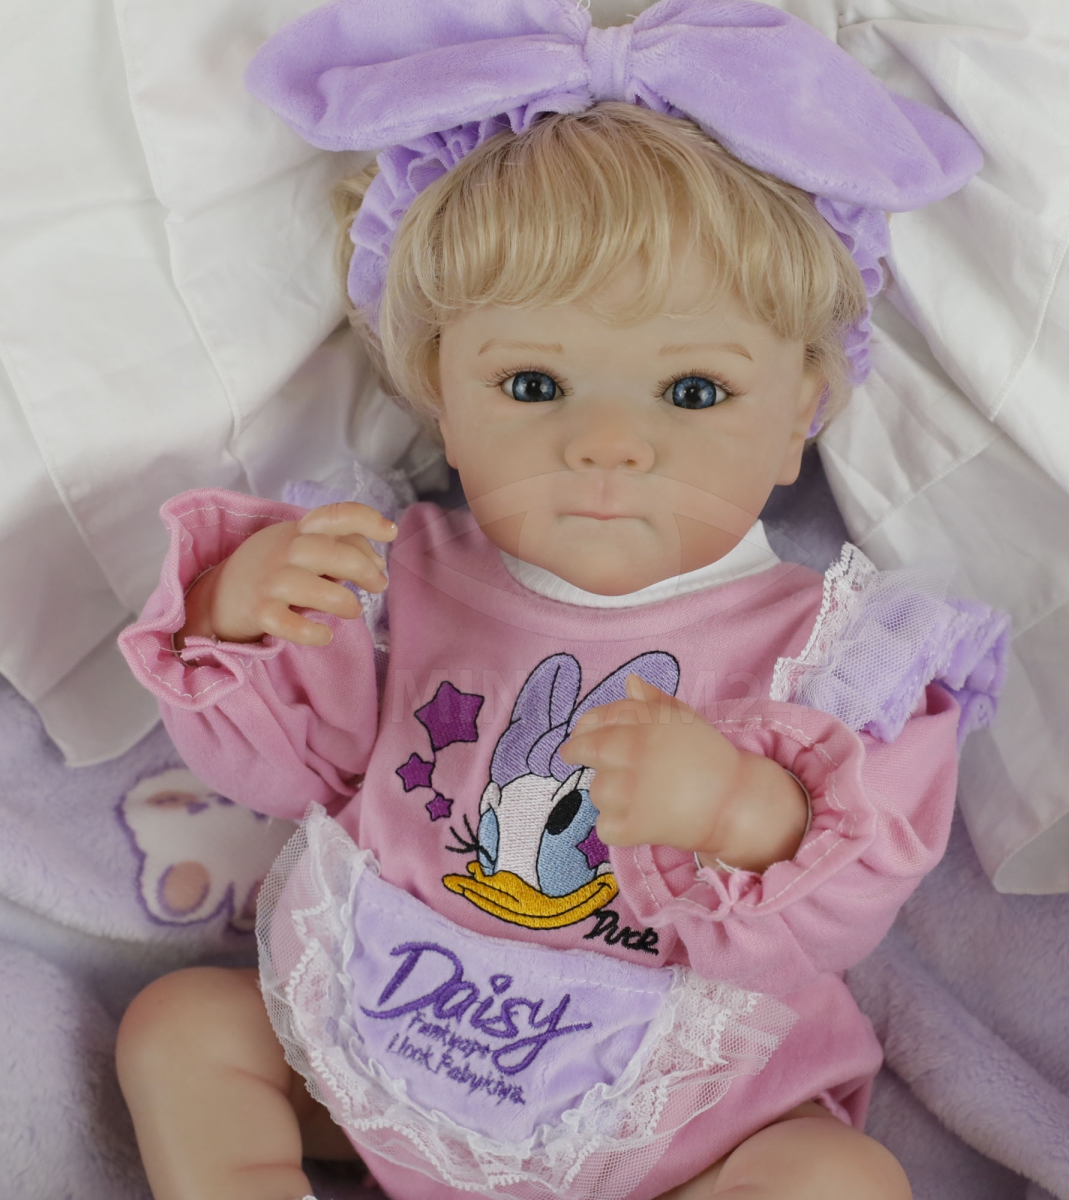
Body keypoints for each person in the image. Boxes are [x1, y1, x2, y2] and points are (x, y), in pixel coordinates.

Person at [115, 3, 1007, 1198]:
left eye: (693, 391)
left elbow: (847, 903)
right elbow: (289, 775)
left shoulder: (837, 655)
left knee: (839, 1180)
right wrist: (244, 612)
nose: (607, 444)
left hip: (684, 1129)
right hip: (384, 1031)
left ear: (804, 404)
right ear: (440, 389)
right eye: (534, 384)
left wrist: (740, 808)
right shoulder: (395, 568)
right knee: (183, 1030)